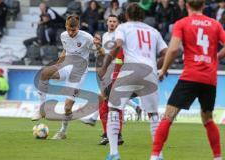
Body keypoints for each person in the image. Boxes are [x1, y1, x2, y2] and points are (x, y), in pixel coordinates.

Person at [150, 0, 225, 159]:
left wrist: (164, 69)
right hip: (209, 79)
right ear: (204, 6)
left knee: (168, 116)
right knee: (208, 119)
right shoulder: (215, 24)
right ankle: (218, 157)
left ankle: (155, 155)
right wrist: (216, 57)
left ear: (187, 6)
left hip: (190, 76)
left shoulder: (182, 23)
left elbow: (174, 48)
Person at [98, 3, 167, 160]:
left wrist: (105, 66)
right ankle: (158, 155)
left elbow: (118, 46)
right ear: (142, 16)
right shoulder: (153, 31)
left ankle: (114, 153)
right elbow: (167, 52)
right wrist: (160, 68)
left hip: (130, 69)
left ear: (127, 16)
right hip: (150, 72)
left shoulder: (123, 28)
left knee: (113, 109)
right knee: (153, 115)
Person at [31, 14, 102, 140]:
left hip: (78, 73)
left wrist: (98, 45)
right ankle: (42, 109)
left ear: (78, 27)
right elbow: (65, 50)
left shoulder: (86, 38)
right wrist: (58, 64)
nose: (70, 32)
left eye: (73, 30)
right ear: (65, 26)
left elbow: (100, 52)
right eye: (68, 29)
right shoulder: (63, 35)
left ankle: (63, 131)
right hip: (66, 67)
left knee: (67, 107)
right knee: (44, 73)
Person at [81, 15, 142, 146]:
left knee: (105, 100)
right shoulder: (106, 36)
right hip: (108, 71)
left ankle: (103, 129)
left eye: (114, 21)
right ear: (107, 22)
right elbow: (104, 54)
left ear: (118, 23)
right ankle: (115, 133)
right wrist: (98, 47)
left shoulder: (120, 36)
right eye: (110, 21)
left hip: (119, 71)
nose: (112, 23)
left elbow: (117, 54)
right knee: (110, 102)